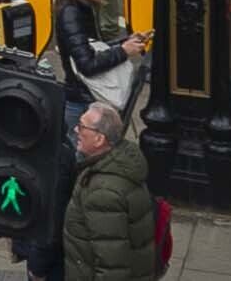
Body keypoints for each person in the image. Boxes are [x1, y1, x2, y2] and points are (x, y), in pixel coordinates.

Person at [61, 99, 159, 281]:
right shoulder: (113, 166)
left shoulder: (103, 193)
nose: (76, 130)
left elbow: (112, 265)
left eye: (82, 127)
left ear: (99, 139)